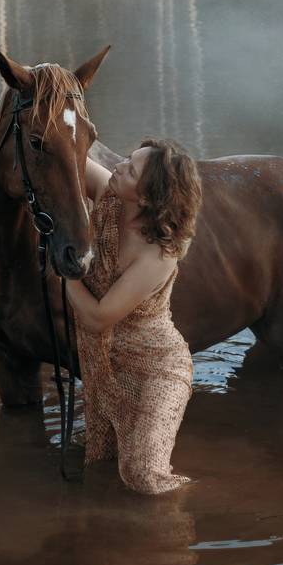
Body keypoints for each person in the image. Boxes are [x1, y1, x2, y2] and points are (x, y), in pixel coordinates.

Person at [65, 138, 203, 495]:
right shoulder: (110, 193)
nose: (119, 166)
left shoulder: (159, 255)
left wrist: (62, 273)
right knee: (103, 467)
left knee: (144, 474)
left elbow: (97, 318)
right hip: (104, 368)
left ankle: (198, 507)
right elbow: (66, 164)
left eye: (130, 169)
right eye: (127, 159)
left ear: (146, 197)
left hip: (157, 370)